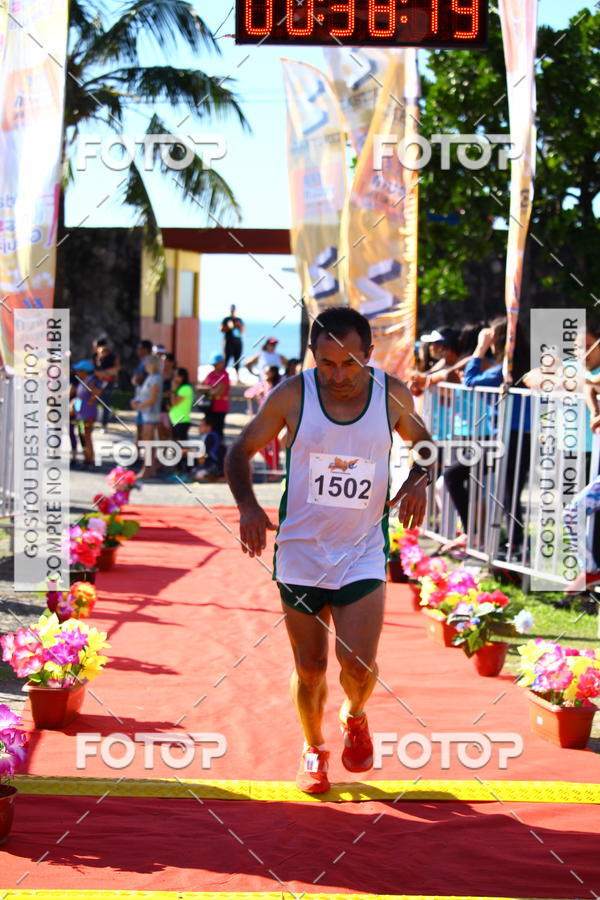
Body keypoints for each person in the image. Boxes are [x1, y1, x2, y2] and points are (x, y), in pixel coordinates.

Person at [226, 306, 433, 794]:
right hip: (301, 553)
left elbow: (424, 444)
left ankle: (354, 715)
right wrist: (249, 507)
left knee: (357, 666)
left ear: (369, 354)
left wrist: (418, 478)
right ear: (312, 356)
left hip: (362, 551)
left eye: (349, 364)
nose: (338, 376)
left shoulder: (391, 395)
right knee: (310, 667)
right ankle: (313, 747)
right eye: (326, 364)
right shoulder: (292, 395)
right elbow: (239, 451)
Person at [131, 354, 162, 480]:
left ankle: (145, 469)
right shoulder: (151, 377)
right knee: (150, 442)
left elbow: (153, 398)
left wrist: (140, 405)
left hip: (150, 413)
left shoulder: (155, 378)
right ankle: (151, 469)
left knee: (147, 442)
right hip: (147, 413)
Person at [73, 360, 102, 469]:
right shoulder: (82, 381)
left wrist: (92, 399)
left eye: (79, 370)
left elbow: (98, 391)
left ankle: (90, 461)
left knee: (86, 435)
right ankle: (87, 459)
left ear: (84, 371)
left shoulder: (90, 380)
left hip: (88, 414)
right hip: (81, 414)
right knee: (82, 435)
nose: (77, 372)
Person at [168, 367, 194, 471]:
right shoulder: (179, 389)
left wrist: (173, 389)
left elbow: (174, 402)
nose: (174, 378)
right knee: (176, 446)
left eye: (177, 376)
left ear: (182, 377)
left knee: (182, 447)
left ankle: (185, 469)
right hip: (175, 421)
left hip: (182, 421)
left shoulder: (185, 388)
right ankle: (178, 469)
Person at [198, 354, 230, 437]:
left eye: (216, 364)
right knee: (207, 430)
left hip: (220, 408)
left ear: (222, 363)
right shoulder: (211, 374)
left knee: (217, 432)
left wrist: (207, 389)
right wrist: (211, 388)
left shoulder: (224, 375)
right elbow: (199, 387)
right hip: (209, 407)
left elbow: (218, 392)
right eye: (214, 364)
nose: (214, 366)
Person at [92, 337, 120, 429]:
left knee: (105, 403)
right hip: (97, 381)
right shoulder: (95, 356)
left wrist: (105, 373)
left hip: (109, 382)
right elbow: (94, 369)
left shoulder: (112, 356)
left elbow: (117, 368)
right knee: (94, 401)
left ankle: (104, 424)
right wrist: (99, 374)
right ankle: (92, 420)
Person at [132, 340, 153, 440]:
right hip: (141, 398)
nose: (138, 350)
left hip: (146, 400)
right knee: (140, 427)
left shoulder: (149, 362)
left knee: (145, 429)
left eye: (140, 348)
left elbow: (141, 379)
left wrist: (136, 380)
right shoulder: (142, 362)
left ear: (145, 349)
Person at [221, 305, 245, 380]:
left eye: (234, 309)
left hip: (237, 342)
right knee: (226, 359)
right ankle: (222, 377)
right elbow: (221, 329)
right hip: (228, 342)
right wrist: (229, 327)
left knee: (237, 360)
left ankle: (238, 378)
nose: (233, 311)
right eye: (231, 309)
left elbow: (243, 330)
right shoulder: (226, 319)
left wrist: (239, 326)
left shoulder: (239, 320)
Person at [158, 352, 176, 441]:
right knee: (160, 431)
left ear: (172, 363)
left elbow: (175, 391)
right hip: (159, 407)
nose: (163, 363)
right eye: (162, 361)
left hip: (171, 408)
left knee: (170, 432)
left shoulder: (175, 375)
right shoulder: (158, 375)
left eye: (165, 361)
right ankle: (163, 449)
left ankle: (173, 448)